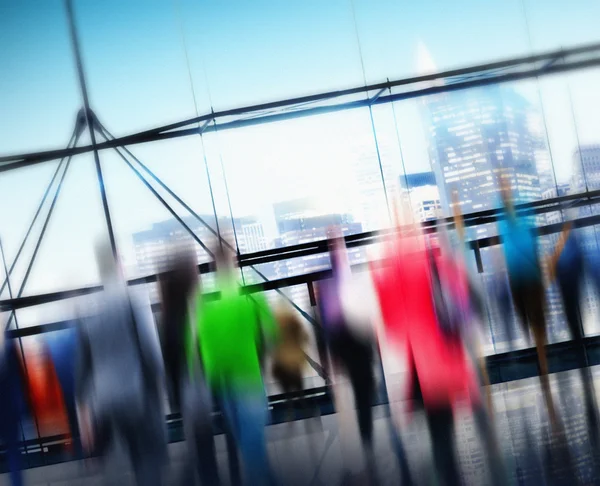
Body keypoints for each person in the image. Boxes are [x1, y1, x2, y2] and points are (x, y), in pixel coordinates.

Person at [75, 242, 167, 486]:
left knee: (120, 463)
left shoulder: (87, 309)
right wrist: (160, 391)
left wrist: (85, 411)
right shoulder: (133, 299)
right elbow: (151, 351)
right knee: (148, 460)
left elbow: (83, 367)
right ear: (118, 264)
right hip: (136, 395)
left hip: (103, 401)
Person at [191, 245, 278, 486]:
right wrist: (264, 361)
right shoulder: (249, 290)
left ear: (212, 265)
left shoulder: (206, 299)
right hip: (248, 376)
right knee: (253, 452)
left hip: (222, 381)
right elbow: (271, 332)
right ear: (235, 262)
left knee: (250, 450)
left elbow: (198, 344)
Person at [498, 180, 558, 427]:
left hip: (526, 277)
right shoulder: (513, 223)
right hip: (525, 277)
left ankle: (542, 365)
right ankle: (542, 365)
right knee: (535, 322)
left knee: (536, 322)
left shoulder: (518, 222)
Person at [159, 247, 219, 486]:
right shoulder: (196, 309)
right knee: (203, 450)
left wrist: (174, 396)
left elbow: (169, 361)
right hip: (200, 386)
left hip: (186, 389)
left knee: (199, 448)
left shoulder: (169, 316)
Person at [271, 304, 309, 419]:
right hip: (294, 362)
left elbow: (273, 346)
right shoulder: (294, 323)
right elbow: (305, 338)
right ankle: (305, 409)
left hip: (283, 363)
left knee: (288, 392)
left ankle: (290, 411)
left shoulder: (276, 326)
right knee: (299, 390)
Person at [0, 332, 25, 486]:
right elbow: (18, 377)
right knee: (14, 453)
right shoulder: (7, 343)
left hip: (9, 407)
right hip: (9, 408)